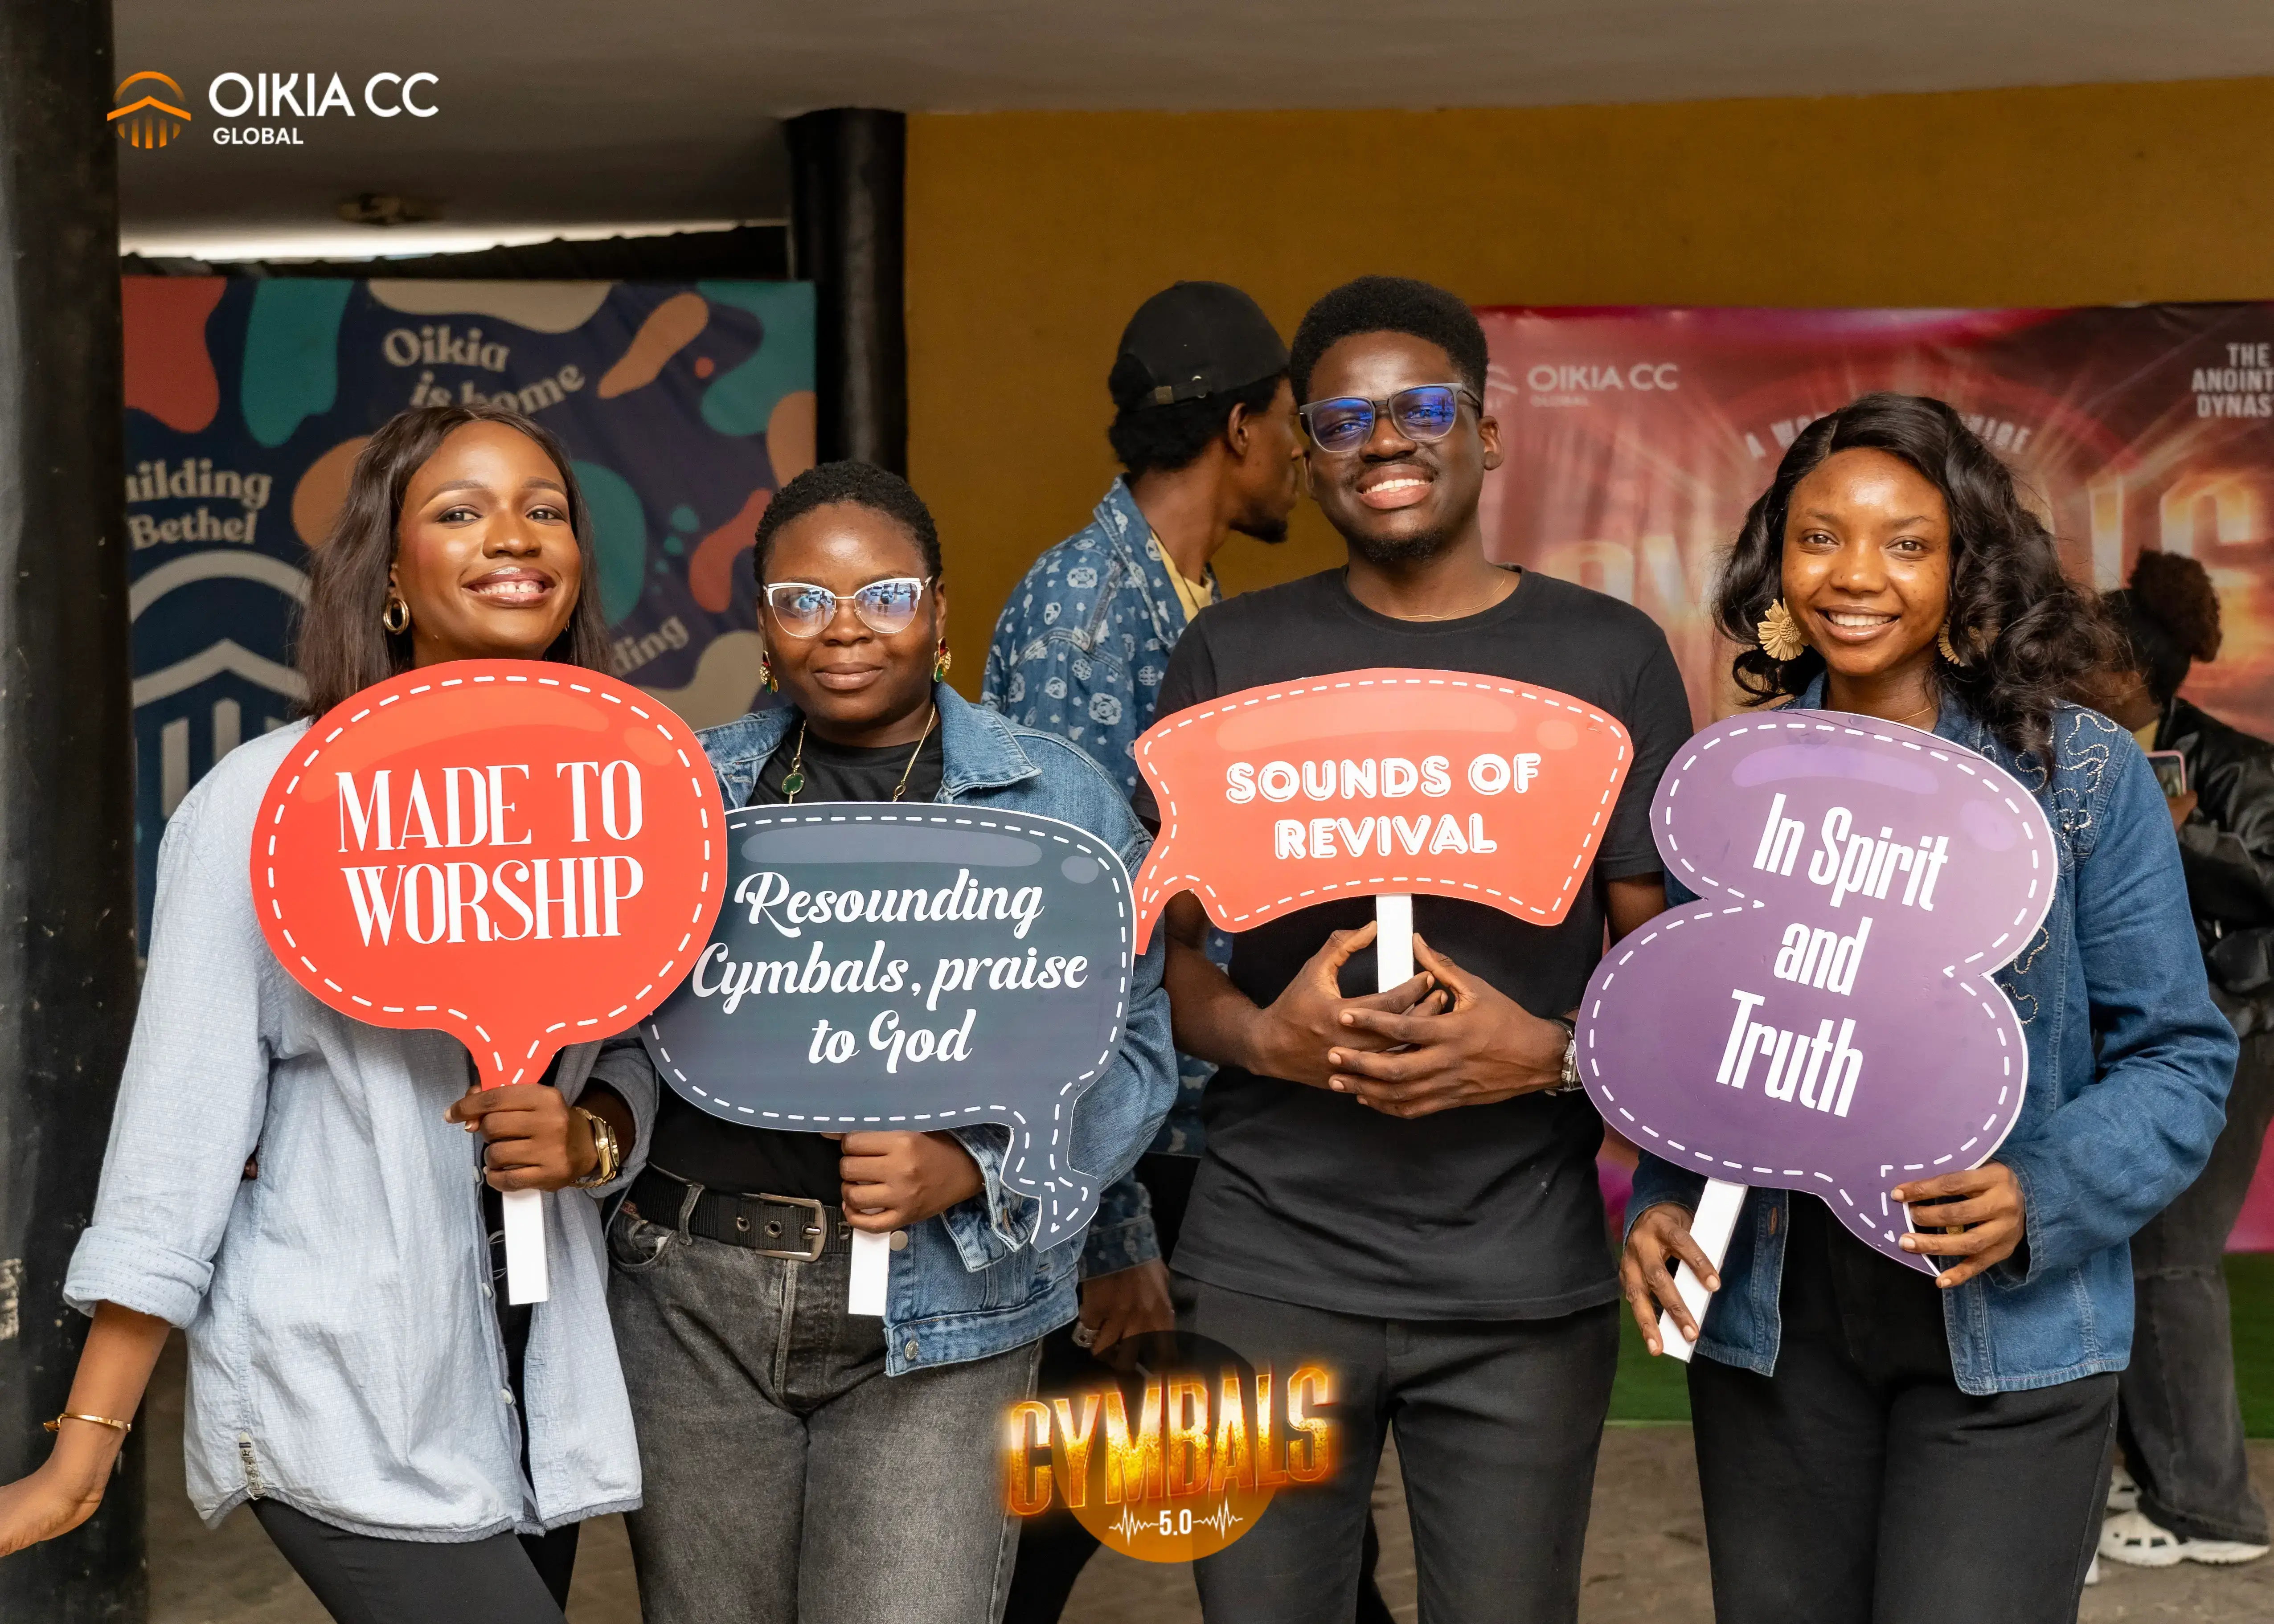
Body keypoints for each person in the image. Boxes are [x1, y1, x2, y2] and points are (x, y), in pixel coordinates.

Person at [0, 404, 653, 1622]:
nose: (512, 535)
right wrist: (85, 1446)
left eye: (544, 508)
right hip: (342, 1392)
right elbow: (176, 1145)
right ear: (391, 576)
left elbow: (649, 1053)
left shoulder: (618, 803)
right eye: (459, 511)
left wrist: (590, 1135)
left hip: (528, 1385)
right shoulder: (267, 807)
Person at [1622, 393, 2239, 1624]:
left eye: (1905, 542)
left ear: (1964, 566)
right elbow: (1710, 1044)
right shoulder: (1736, 787)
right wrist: (1661, 1202)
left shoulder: (2077, 776)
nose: (1855, 576)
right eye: (1818, 537)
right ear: (1772, 561)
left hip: (2004, 1328)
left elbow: (2178, 1057)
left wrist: (2040, 1191)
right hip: (1770, 1324)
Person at [1145, 275, 1694, 1624]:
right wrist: (1263, 1035)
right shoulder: (1234, 652)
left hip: (1516, 1279)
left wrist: (1548, 1057)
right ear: (1305, 453)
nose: (1382, 440)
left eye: (1421, 407)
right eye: (1340, 419)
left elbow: (1668, 970)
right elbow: (1161, 961)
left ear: (1487, 433)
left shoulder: (1603, 655)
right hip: (1266, 1262)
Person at [608, 460, 1177, 1624]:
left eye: (885, 595)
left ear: (941, 612)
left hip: (955, 1302)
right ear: (761, 625)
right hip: (692, 1294)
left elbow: (1136, 1054)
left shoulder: (1057, 803)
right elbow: (614, 1026)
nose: (844, 631)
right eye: (801, 601)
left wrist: (975, 1167)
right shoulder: (687, 794)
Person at [983, 280, 1367, 1622]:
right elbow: (1070, 930)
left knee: (1202, 1491)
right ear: (1245, 426)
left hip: (1196, 1135)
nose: (1315, 468)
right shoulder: (1089, 612)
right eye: (1298, 430)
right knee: (1099, 1506)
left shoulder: (1180, 601)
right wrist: (1110, 1227)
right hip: (1133, 1164)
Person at [2090, 551, 2274, 1567]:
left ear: (2141, 676)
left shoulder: (2237, 766)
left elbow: (2265, 886)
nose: (2074, 675)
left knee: (2170, 1259)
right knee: (2126, 1254)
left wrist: (2179, 839)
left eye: (2095, 664)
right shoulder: (2068, 753)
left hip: (2236, 1034)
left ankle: (2212, 1509)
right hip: (2122, 1044)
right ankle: (2148, 1473)